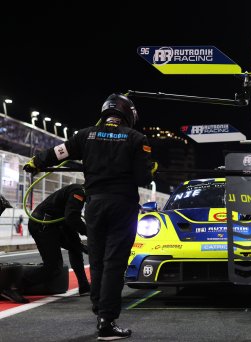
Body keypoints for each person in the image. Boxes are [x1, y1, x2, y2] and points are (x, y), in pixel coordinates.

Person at [23, 93, 155, 340]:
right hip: (122, 206)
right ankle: (107, 320)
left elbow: (57, 152)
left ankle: (98, 308)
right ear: (128, 114)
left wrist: (36, 163)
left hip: (94, 206)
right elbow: (143, 178)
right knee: (115, 262)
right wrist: (150, 166)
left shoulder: (86, 135)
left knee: (97, 258)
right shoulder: (136, 138)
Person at [24, 183, 90, 295]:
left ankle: (84, 286)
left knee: (75, 248)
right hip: (42, 224)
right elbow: (72, 218)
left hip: (55, 224)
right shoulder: (79, 192)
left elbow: (69, 221)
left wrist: (81, 246)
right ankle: (16, 285)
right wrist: (91, 233)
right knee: (54, 267)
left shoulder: (79, 191)